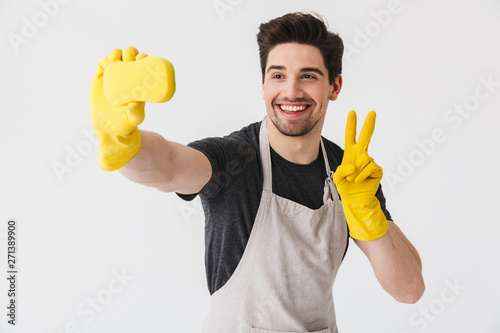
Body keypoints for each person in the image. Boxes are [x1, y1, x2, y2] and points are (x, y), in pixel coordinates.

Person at [90, 11, 424, 333]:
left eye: (308, 75)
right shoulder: (234, 158)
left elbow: (409, 289)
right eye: (278, 75)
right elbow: (169, 166)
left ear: (334, 87)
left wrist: (369, 214)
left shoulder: (348, 171)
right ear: (263, 85)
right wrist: (122, 142)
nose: (291, 91)